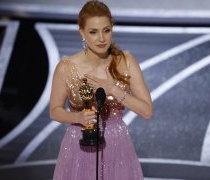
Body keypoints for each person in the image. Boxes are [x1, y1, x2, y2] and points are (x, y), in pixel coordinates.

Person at [50, 1, 153, 179]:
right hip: (78, 146)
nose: (102, 39)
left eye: (106, 30)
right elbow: (55, 111)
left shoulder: (126, 62)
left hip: (117, 144)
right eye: (93, 32)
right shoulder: (66, 68)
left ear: (112, 28)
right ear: (81, 32)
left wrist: (113, 89)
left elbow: (147, 111)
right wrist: (77, 117)